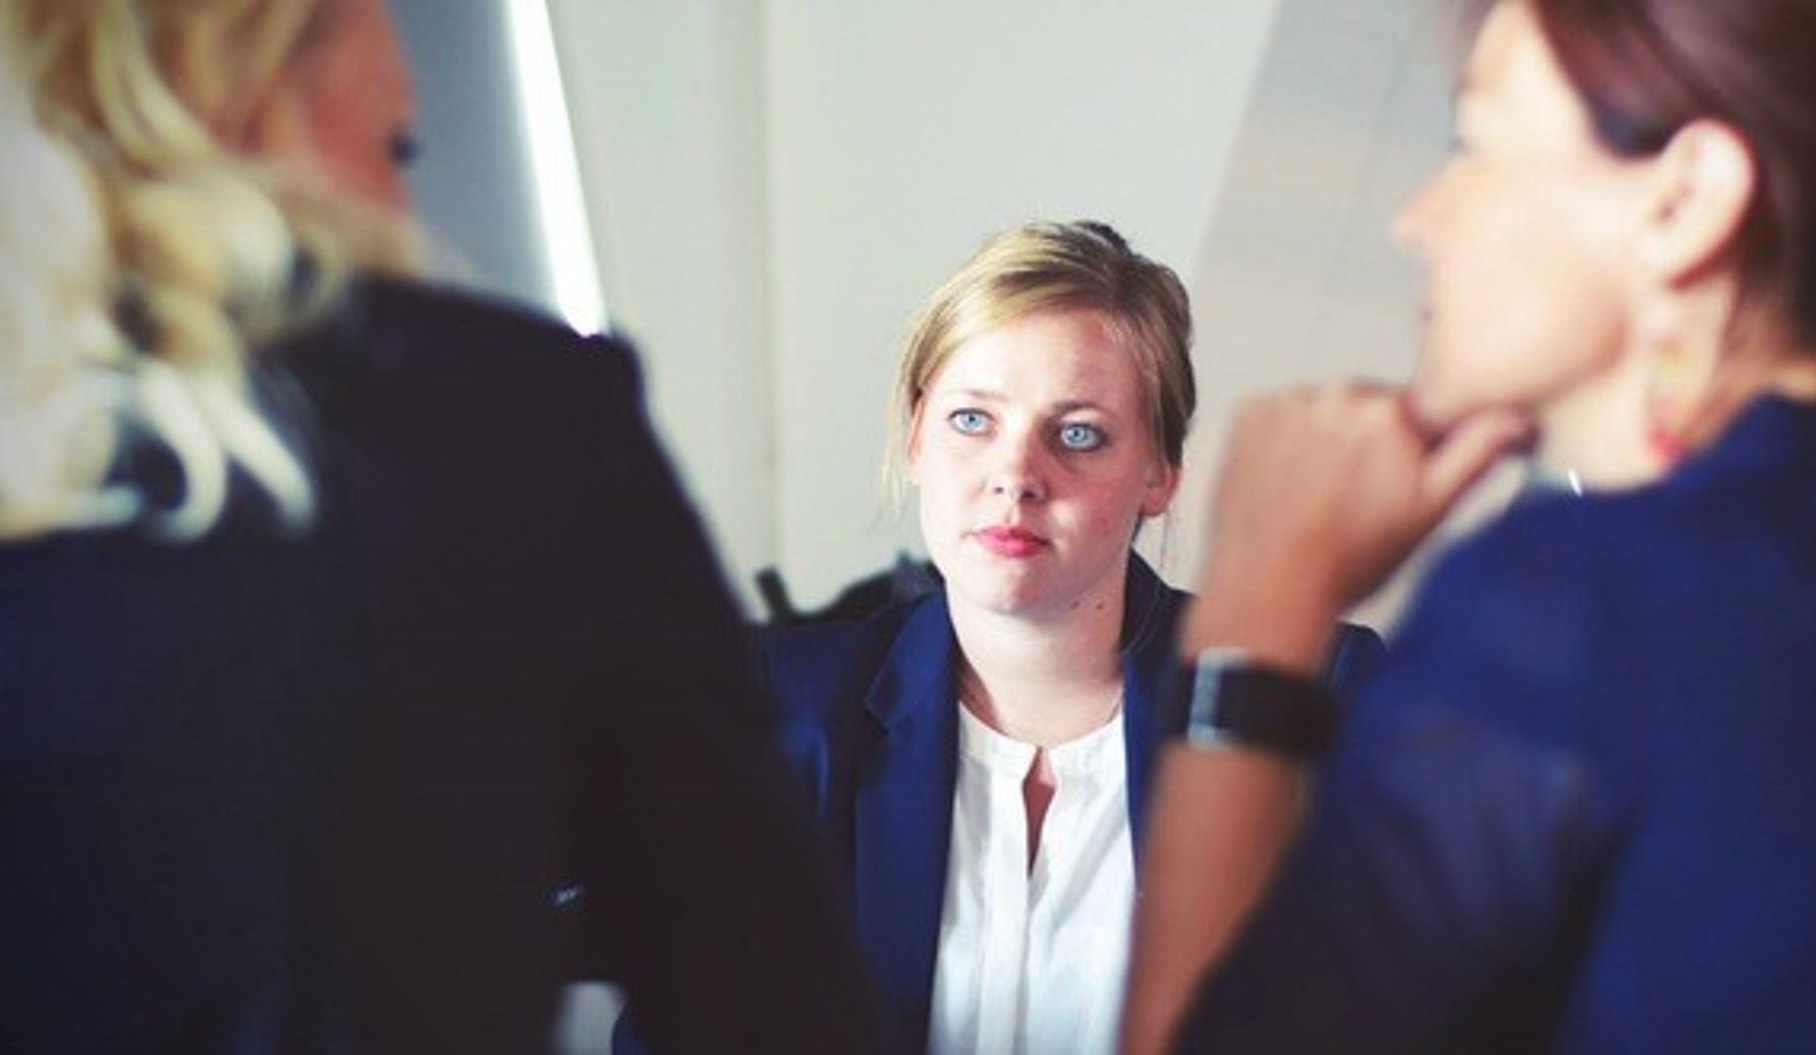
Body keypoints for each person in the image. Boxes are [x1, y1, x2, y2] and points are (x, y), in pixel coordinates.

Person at [1122, 0, 1816, 1050]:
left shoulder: (1582, 600)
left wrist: (1260, 598)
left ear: (1683, 201)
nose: (1419, 217)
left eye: (1476, 143)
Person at [0, 0, 882, 1051]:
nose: (406, 198)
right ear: (248, 63)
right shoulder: (502, 419)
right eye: (396, 148)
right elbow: (765, 999)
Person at [766, 221, 1381, 1053]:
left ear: (1160, 473)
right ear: (916, 437)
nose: (1015, 474)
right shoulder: (785, 713)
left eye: (1079, 432)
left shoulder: (1312, 695)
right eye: (973, 420)